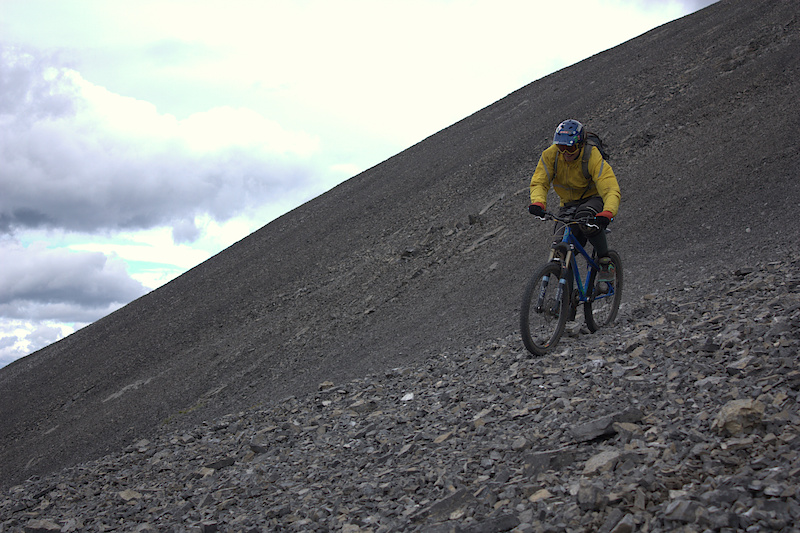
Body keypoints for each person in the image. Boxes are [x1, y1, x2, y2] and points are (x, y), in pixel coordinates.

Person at [528, 119, 621, 280]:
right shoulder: (551, 155)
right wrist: (538, 202)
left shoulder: (591, 155)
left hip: (593, 198)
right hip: (568, 204)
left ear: (580, 145)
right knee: (558, 252)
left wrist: (608, 212)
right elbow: (539, 182)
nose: (565, 153)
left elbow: (609, 187)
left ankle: (605, 260)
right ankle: (567, 301)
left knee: (586, 219)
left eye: (569, 148)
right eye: (561, 147)